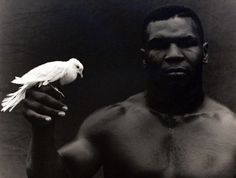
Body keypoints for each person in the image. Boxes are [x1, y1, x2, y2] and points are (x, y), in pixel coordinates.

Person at [24, 5, 236, 178]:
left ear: (204, 53)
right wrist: (43, 129)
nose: (173, 55)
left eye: (186, 43)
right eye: (160, 45)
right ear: (144, 58)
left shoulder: (231, 132)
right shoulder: (111, 124)